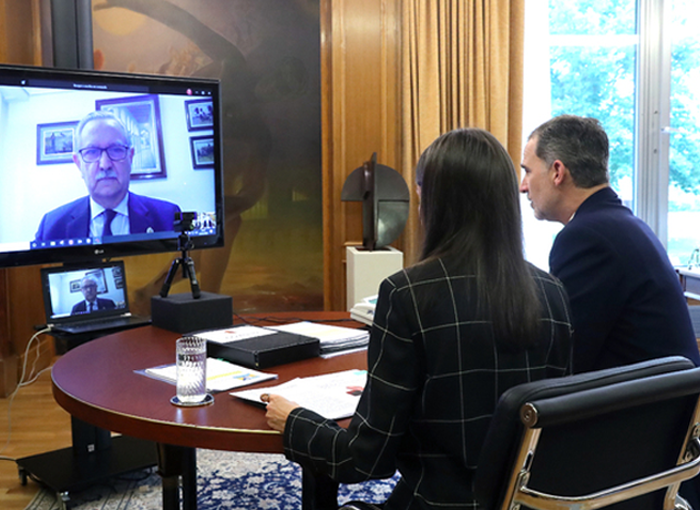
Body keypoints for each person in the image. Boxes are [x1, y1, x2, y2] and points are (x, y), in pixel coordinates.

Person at [263, 128, 574, 510]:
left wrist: (294, 420)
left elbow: (364, 459)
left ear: (435, 200)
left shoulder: (407, 294)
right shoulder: (552, 292)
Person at [520, 114, 700, 373]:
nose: (523, 187)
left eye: (527, 171)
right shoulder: (618, 225)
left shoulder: (586, 238)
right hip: (656, 405)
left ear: (557, 172)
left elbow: (562, 357)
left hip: (629, 409)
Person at [35, 111, 181, 241]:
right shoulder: (52, 227)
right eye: (92, 152)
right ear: (78, 163)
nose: (105, 164)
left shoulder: (168, 217)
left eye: (116, 150)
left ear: (130, 157)